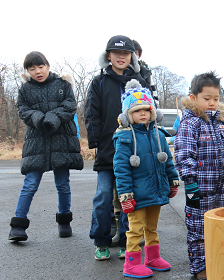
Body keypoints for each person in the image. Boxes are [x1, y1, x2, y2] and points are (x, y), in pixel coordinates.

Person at [84, 35, 149, 260]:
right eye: (116, 53)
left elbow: (148, 113)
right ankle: (101, 241)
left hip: (133, 151)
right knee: (102, 196)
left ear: (132, 57)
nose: (121, 57)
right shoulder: (99, 82)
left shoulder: (140, 82)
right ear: (108, 56)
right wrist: (96, 143)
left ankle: (125, 241)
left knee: (128, 196)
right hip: (107, 150)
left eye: (125, 54)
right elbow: (92, 114)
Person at [8, 51, 84, 241]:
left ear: (48, 66)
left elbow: (69, 106)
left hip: (62, 140)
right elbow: (23, 110)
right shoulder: (25, 89)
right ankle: (18, 226)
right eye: (32, 69)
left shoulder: (63, 84)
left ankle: (64, 222)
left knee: (63, 184)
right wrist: (39, 119)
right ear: (28, 71)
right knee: (30, 184)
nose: (37, 71)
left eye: (40, 67)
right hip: (36, 141)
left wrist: (52, 118)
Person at [174, 71, 224, 280]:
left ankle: (221, 260)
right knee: (197, 227)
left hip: (222, 188)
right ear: (194, 98)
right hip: (197, 189)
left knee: (223, 223)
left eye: (216, 99)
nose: (212, 103)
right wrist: (190, 180)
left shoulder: (222, 123)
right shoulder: (190, 123)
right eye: (207, 99)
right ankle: (200, 266)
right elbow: (184, 154)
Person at [113, 80, 179, 278]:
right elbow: (121, 169)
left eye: (146, 110)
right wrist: (125, 195)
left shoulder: (159, 135)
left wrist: (172, 180)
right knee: (135, 229)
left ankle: (152, 257)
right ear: (127, 116)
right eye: (137, 111)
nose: (143, 114)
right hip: (136, 194)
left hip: (156, 190)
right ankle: (131, 264)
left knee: (152, 227)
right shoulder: (124, 138)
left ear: (153, 112)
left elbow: (167, 161)